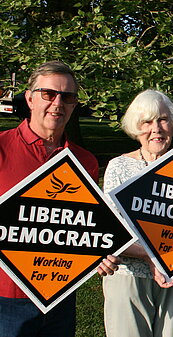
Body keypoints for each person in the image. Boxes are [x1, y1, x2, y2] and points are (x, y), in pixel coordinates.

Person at [0, 60, 119, 336]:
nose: (57, 103)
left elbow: (80, 225)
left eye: (68, 97)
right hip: (7, 296)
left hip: (60, 296)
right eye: (48, 94)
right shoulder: (2, 148)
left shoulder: (84, 161)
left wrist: (94, 254)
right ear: (29, 98)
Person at [101, 89, 173, 337]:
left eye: (163, 119)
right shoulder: (118, 167)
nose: (157, 128)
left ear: (172, 123)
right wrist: (151, 258)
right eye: (147, 122)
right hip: (128, 275)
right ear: (136, 127)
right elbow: (110, 232)